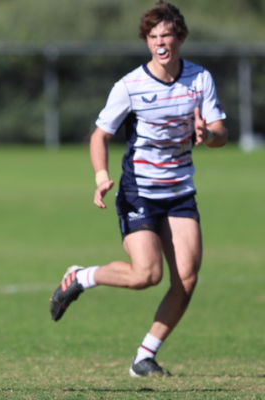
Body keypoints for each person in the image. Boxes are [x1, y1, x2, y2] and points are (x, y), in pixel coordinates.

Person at [49, 0, 228, 377]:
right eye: (153, 36)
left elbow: (220, 134)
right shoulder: (130, 85)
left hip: (179, 191)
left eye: (167, 34)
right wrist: (101, 177)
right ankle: (80, 277)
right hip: (139, 191)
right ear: (147, 42)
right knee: (147, 274)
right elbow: (100, 136)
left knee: (187, 278)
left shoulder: (199, 79)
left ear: (179, 37)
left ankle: (144, 356)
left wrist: (206, 135)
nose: (161, 42)